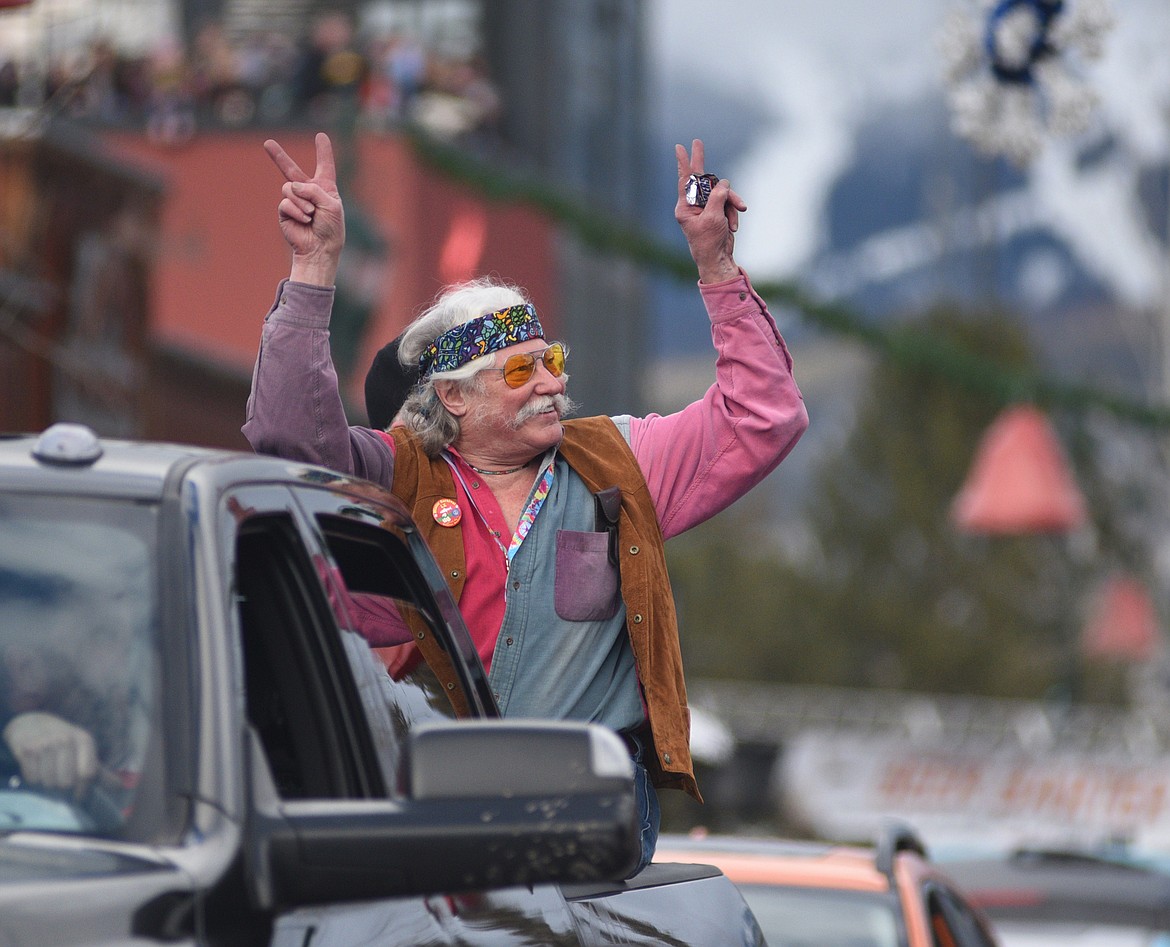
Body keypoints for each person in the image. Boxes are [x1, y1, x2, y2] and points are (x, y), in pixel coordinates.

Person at [243, 132, 808, 875]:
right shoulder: (400, 473)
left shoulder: (618, 461)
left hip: (588, 822)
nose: (549, 381)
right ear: (452, 396)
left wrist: (716, 264)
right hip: (433, 820)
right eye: (519, 368)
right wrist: (315, 267)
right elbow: (291, 442)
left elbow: (764, 417)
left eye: (552, 360)